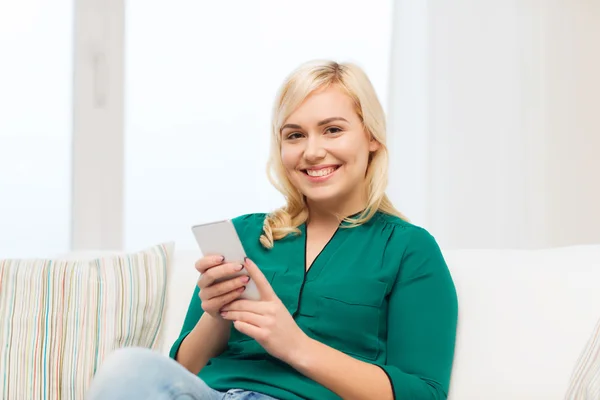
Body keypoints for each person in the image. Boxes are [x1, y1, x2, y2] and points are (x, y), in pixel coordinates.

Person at [86, 60, 458, 400]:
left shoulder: (409, 249)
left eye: (332, 130)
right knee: (126, 368)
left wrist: (296, 346)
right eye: (295, 135)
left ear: (372, 136)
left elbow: (424, 394)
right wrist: (215, 316)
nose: (312, 152)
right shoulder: (245, 234)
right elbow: (181, 374)